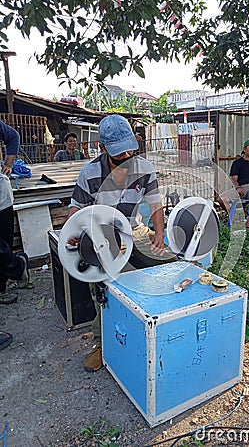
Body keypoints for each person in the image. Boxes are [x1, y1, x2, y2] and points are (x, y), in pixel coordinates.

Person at [68, 115, 175, 372]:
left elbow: (156, 204)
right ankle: (101, 343)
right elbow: (76, 209)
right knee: (106, 288)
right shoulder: (90, 172)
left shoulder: (144, 169)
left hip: (135, 230)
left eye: (130, 149)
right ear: (102, 148)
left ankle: (169, 321)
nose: (127, 155)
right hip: (102, 236)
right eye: (119, 152)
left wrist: (158, 234)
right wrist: (75, 232)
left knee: (172, 263)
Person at [0, 121, 30, 352]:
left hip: (0, 197)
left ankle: (3, 285)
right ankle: (17, 268)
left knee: (4, 243)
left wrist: (8, 164)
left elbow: (12, 136)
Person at [217, 138, 249, 228]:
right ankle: (232, 216)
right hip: (240, 188)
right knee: (221, 199)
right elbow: (234, 179)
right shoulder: (238, 163)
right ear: (244, 149)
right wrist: (237, 188)